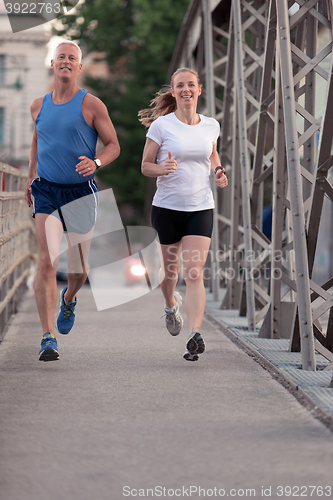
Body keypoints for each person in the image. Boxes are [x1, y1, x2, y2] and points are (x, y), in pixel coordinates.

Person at [25, 41, 120, 362]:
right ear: (52, 63)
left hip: (80, 192)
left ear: (79, 68)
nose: (66, 62)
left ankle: (70, 297)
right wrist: (30, 177)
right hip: (47, 190)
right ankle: (47, 336)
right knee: (47, 262)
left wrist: (97, 163)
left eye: (72, 58)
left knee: (78, 270)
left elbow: (113, 145)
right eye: (61, 57)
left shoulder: (91, 104)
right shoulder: (37, 105)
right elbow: (37, 141)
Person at [139, 67, 228, 362]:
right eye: (180, 85)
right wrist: (162, 169)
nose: (186, 89)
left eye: (191, 85)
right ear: (174, 91)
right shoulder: (162, 127)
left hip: (200, 207)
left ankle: (195, 335)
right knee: (170, 274)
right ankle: (169, 305)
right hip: (166, 209)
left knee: (193, 273)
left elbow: (211, 152)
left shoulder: (211, 125)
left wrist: (217, 170)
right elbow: (145, 166)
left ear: (199, 89)